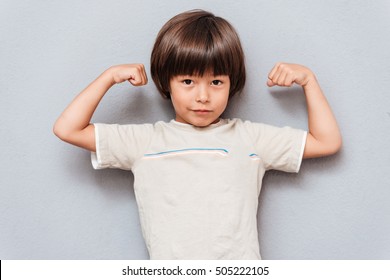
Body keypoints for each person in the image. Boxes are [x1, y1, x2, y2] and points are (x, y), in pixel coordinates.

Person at [53, 9, 342, 259]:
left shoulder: (250, 139)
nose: (203, 96)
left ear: (233, 83)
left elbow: (327, 141)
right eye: (188, 81)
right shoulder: (145, 142)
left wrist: (309, 81)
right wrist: (108, 77)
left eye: (216, 81)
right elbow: (67, 129)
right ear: (167, 82)